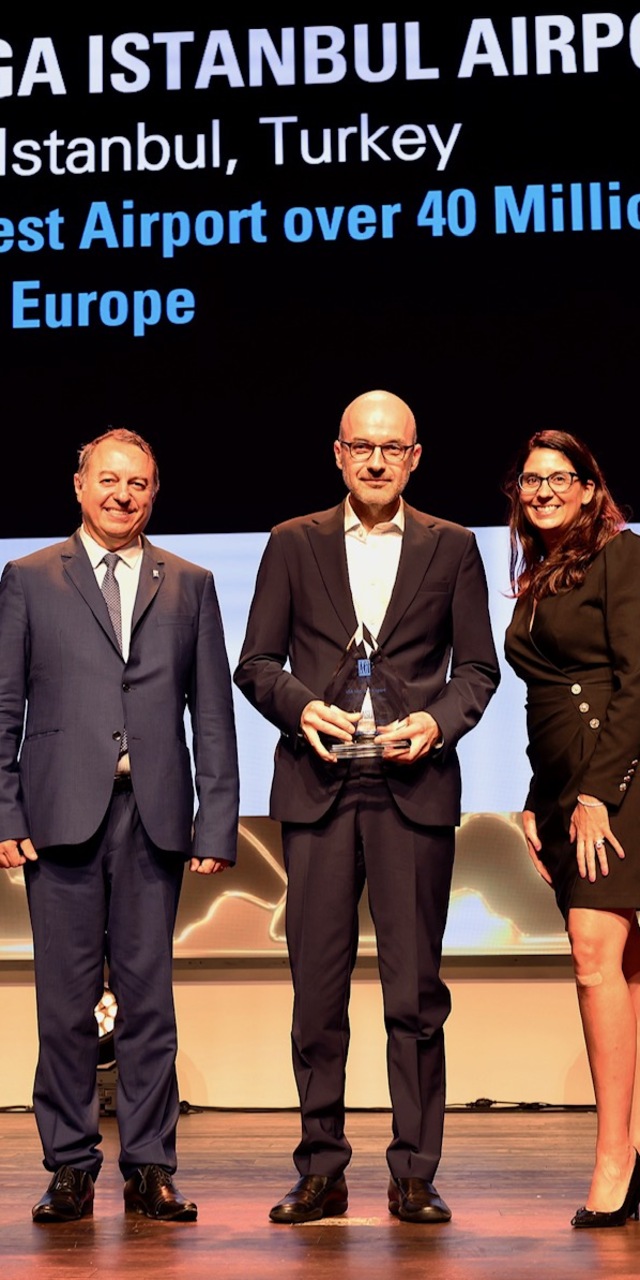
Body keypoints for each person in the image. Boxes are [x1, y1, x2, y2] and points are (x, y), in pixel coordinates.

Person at [234, 389, 499, 1224]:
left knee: (414, 996)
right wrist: (302, 708)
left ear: (415, 457)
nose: (376, 461)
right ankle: (321, 1169)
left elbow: (478, 670)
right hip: (318, 790)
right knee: (316, 996)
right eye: (361, 446)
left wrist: (438, 722)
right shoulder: (292, 542)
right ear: (338, 454)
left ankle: (415, 1172)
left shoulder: (453, 546)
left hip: (413, 790)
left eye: (392, 448)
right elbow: (256, 662)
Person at [0, 428, 239, 1224]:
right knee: (63, 1006)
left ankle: (150, 1167)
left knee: (150, 1004)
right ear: (80, 485)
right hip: (59, 818)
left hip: (153, 817)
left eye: (137, 483)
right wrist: (4, 809)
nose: (122, 494)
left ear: (154, 493)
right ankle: (70, 1166)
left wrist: (216, 822)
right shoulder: (29, 578)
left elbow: (212, 713)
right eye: (108, 479)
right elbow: (4, 707)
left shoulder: (191, 583)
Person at [504, 429, 640, 1229]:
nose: (544, 490)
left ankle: (613, 1157)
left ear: (590, 488)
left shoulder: (621, 556)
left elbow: (635, 681)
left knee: (594, 960)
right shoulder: (540, 574)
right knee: (620, 966)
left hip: (614, 786)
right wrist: (537, 798)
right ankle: (632, 1147)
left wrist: (595, 794)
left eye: (561, 477)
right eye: (531, 479)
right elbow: (547, 703)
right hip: (564, 795)